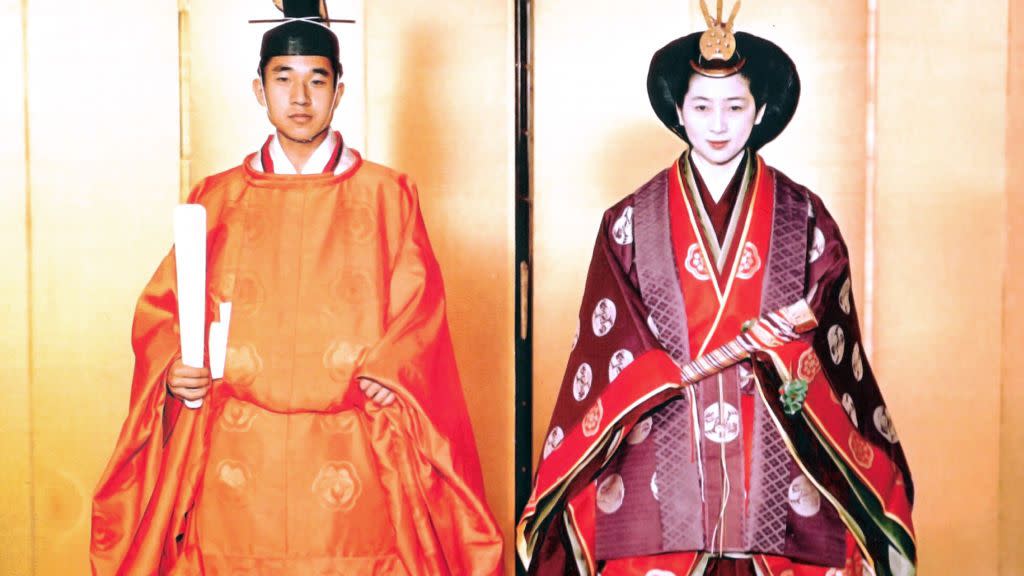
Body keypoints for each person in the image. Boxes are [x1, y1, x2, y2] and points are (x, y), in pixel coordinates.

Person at [90, 1, 503, 573]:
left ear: (339, 92)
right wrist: (173, 368)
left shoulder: (387, 196)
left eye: (317, 80)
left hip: (352, 449)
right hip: (237, 452)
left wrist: (395, 372)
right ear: (260, 90)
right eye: (283, 79)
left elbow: (420, 314)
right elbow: (164, 311)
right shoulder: (217, 199)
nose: (301, 97)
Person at [517, 3, 915, 575]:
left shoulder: (804, 217)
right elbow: (611, 344)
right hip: (663, 449)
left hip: (775, 452)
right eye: (702, 107)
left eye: (735, 106)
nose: (719, 124)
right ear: (679, 112)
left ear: (760, 113)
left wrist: (791, 341)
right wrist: (659, 373)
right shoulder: (628, 221)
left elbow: (832, 330)